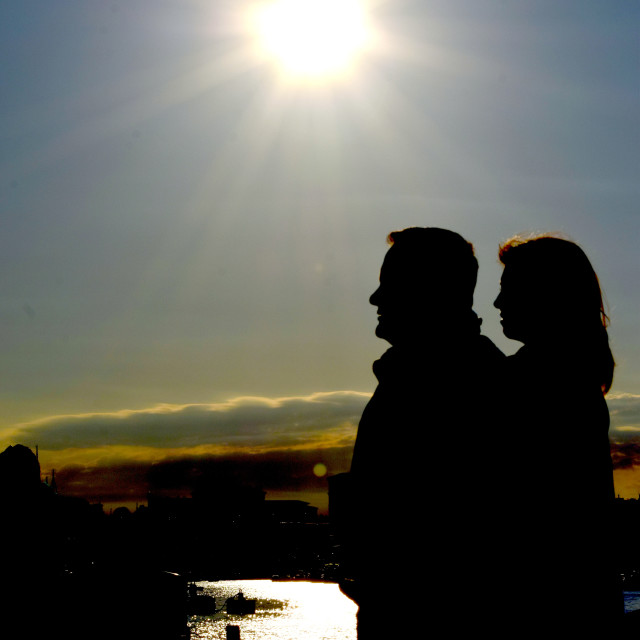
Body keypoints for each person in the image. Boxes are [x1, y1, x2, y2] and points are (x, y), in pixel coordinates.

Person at [338, 227, 505, 637]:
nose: (376, 299)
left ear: (429, 291)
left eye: (389, 284)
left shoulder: (461, 383)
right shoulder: (414, 376)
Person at [494, 234, 624, 635]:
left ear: (547, 296)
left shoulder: (535, 383)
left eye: (509, 290)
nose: (498, 304)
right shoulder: (573, 380)